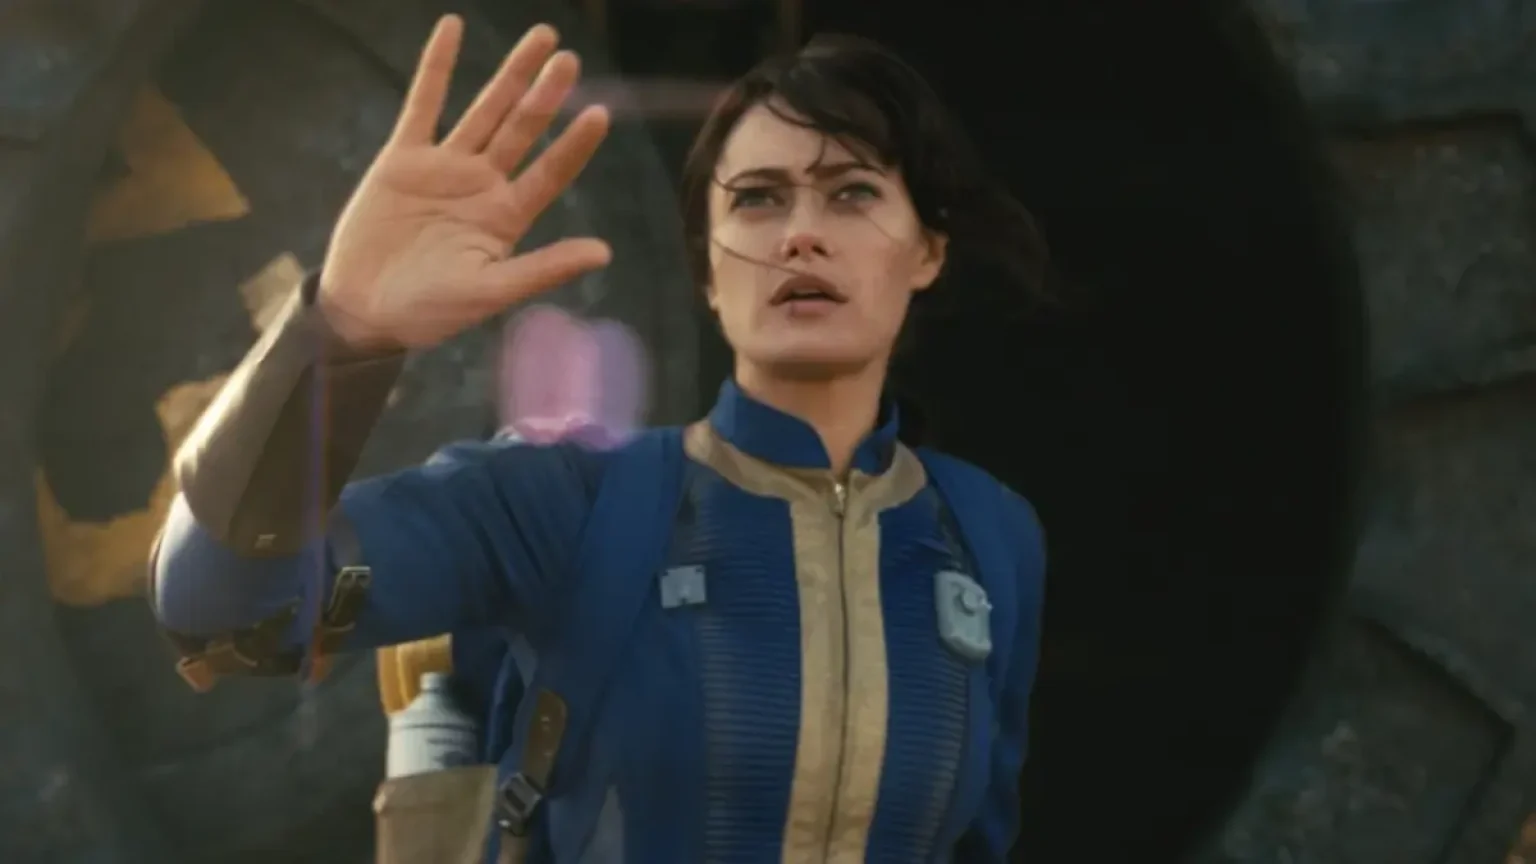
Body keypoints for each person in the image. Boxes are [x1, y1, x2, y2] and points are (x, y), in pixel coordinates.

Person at [150, 14, 1048, 863]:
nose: (803, 235)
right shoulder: (570, 501)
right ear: (706, 267)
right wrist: (337, 331)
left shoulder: (989, 536)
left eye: (852, 193)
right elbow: (222, 609)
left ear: (927, 250)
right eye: (758, 200)